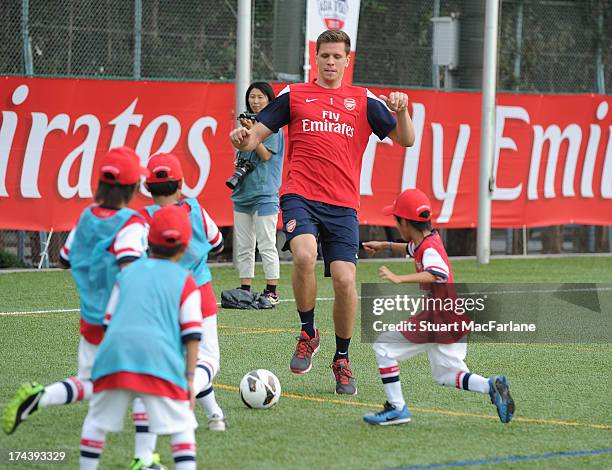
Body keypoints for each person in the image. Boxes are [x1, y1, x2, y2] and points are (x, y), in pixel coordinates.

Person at [229, 30, 415, 395]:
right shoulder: (294, 95)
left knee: (346, 280)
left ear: (348, 60)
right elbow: (253, 137)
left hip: (343, 205)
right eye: (324, 56)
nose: (330, 62)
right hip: (300, 194)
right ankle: (307, 332)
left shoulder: (363, 100)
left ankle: (341, 359)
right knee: (303, 254)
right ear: (316, 58)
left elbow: (406, 139)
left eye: (337, 57)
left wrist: (402, 110)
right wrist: (241, 138)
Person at [2, 147, 166, 468]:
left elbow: (64, 258)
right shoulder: (131, 223)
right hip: (124, 323)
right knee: (149, 387)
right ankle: (144, 460)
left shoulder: (87, 216)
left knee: (94, 386)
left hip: (91, 321)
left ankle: (42, 397)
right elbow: (131, 272)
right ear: (135, 188)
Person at [361, 188, 515, 425]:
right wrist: (385, 245)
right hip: (452, 317)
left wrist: (399, 279)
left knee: (383, 347)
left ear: (404, 224)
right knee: (446, 375)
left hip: (437, 318)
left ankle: (396, 408)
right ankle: (491, 386)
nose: (395, 224)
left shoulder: (428, 248)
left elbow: (437, 273)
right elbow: (413, 250)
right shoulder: (428, 240)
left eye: (396, 220)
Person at [79, 205, 201, 470]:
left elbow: (108, 322)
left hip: (114, 357)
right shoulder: (186, 280)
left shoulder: (126, 274)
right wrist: (190, 378)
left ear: (149, 241)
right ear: (184, 247)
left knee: (96, 422)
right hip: (159, 361)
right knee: (182, 426)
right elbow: (192, 334)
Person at [141, 152, 226, 432]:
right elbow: (218, 242)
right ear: (180, 185)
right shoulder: (194, 208)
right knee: (207, 360)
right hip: (199, 293)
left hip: (160, 297)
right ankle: (181, 395)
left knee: (182, 360)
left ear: (147, 187)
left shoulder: (143, 218)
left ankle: (214, 414)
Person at [230, 82, 285, 305]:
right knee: (244, 245)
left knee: (265, 243)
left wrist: (252, 133)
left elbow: (265, 155)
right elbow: (243, 155)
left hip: (265, 194)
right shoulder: (246, 127)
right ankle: (245, 287)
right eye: (252, 97)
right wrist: (247, 132)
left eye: (260, 97)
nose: (255, 101)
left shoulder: (273, 128)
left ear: (270, 101)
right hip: (243, 193)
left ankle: (272, 290)